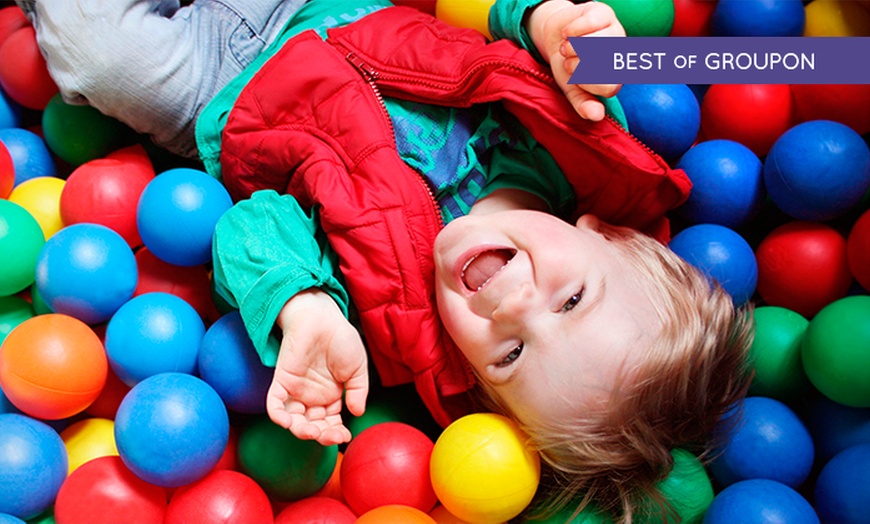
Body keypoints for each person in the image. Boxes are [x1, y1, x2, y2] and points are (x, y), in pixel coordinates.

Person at [19, 0, 754, 520]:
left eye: (510, 355)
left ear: (477, 388)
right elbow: (519, 35)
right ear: (608, 235)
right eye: (570, 301)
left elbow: (254, 222)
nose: (512, 305)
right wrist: (552, 23)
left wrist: (305, 308)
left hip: (217, 88)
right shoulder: (577, 140)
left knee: (107, 59)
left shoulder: (390, 322)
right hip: (341, 7)